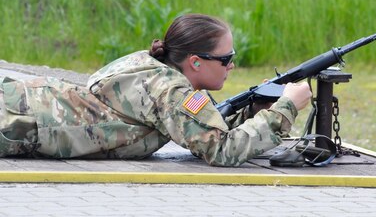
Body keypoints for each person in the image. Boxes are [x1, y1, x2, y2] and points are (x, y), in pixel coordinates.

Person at [0, 14, 311, 166]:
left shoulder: (153, 68)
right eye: (226, 59)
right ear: (196, 63)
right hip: (17, 122)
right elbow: (221, 150)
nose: (231, 66)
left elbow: (199, 128)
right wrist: (286, 109)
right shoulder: (172, 93)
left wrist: (255, 110)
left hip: (22, 105)